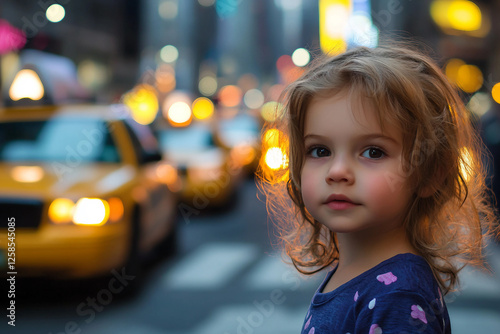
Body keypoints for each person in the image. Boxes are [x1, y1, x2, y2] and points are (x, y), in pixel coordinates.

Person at [257, 44, 499, 333]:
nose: (337, 172)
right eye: (320, 151)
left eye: (373, 152)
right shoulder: (361, 274)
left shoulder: (396, 297)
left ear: (429, 175)